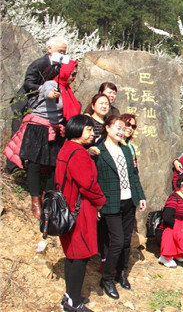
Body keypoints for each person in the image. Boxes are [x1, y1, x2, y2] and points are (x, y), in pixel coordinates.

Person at [4, 61, 79, 219]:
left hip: (55, 130)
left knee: (55, 167)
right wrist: (52, 94)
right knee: (34, 165)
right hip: (38, 128)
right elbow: (47, 92)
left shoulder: (67, 90)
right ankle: (35, 201)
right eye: (72, 73)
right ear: (65, 72)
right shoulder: (52, 83)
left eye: (76, 74)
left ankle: (46, 199)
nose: (74, 77)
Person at [56, 115, 106, 312]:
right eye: (88, 129)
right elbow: (88, 185)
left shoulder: (66, 149)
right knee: (80, 256)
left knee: (72, 254)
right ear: (76, 130)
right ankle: (73, 303)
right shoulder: (78, 153)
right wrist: (100, 202)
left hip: (67, 208)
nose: (92, 133)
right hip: (79, 210)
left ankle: (70, 295)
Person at [94, 115, 146, 300]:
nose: (120, 131)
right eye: (117, 127)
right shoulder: (99, 151)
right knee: (116, 241)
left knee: (125, 242)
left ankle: (121, 273)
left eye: (123, 128)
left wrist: (140, 196)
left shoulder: (125, 150)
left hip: (128, 201)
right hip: (110, 202)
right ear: (107, 128)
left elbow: (133, 176)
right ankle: (107, 278)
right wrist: (97, 204)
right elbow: (94, 181)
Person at [7, 36, 68, 173]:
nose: (62, 54)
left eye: (64, 51)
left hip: (44, 109)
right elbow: (28, 83)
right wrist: (44, 89)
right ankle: (12, 169)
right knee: (18, 136)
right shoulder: (39, 63)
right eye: (60, 50)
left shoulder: (60, 66)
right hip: (25, 105)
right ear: (49, 49)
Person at [158, 172, 183, 268]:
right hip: (170, 229)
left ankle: (177, 253)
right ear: (180, 184)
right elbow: (167, 218)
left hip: (182, 229)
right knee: (170, 231)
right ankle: (166, 256)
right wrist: (181, 228)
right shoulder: (174, 198)